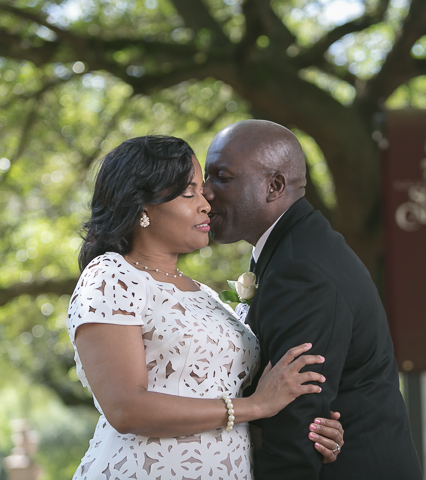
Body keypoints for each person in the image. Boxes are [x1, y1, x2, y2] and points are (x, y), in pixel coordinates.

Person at [66, 136, 344, 479]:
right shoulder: (111, 276)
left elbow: (231, 415)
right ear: (142, 207)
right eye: (189, 193)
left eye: (202, 190)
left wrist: (311, 433)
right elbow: (126, 409)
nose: (206, 203)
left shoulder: (206, 295)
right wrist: (255, 405)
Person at [203, 120, 423, 480]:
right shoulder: (290, 249)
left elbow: (297, 424)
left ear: (274, 186)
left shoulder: (300, 268)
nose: (206, 192)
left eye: (222, 177)